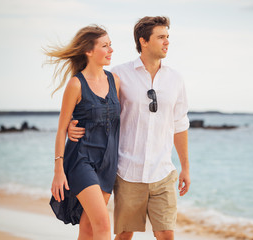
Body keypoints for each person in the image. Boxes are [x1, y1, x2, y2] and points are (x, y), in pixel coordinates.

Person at [68, 16, 190, 240]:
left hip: (163, 171)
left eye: (168, 37)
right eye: (161, 37)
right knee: (124, 235)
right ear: (143, 41)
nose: (167, 42)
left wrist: (185, 167)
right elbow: (95, 104)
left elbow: (180, 124)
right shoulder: (119, 75)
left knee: (166, 235)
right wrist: (70, 124)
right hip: (127, 170)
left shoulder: (176, 79)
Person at [44, 25, 121, 240]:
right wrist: (58, 171)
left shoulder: (115, 81)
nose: (111, 50)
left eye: (111, 45)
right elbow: (61, 129)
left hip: (108, 163)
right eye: (105, 46)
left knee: (88, 227)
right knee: (103, 224)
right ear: (89, 50)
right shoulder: (76, 84)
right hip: (81, 160)